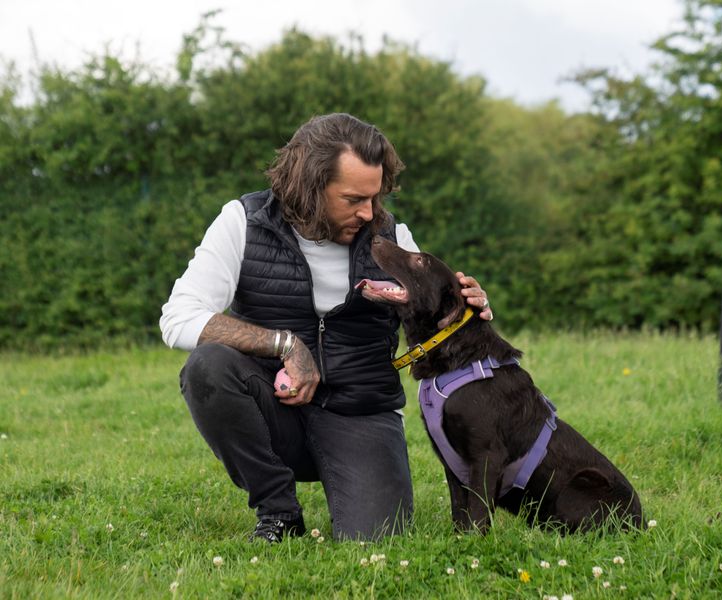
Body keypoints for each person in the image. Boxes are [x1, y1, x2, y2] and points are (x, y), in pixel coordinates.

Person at [159, 113, 493, 543]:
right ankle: (278, 511)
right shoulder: (243, 221)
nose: (368, 212)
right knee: (208, 366)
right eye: (353, 198)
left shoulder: (391, 236)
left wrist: (471, 308)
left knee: (378, 541)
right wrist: (285, 345)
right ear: (309, 185)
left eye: (374, 197)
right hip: (276, 411)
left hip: (362, 416)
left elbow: (437, 317)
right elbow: (179, 317)